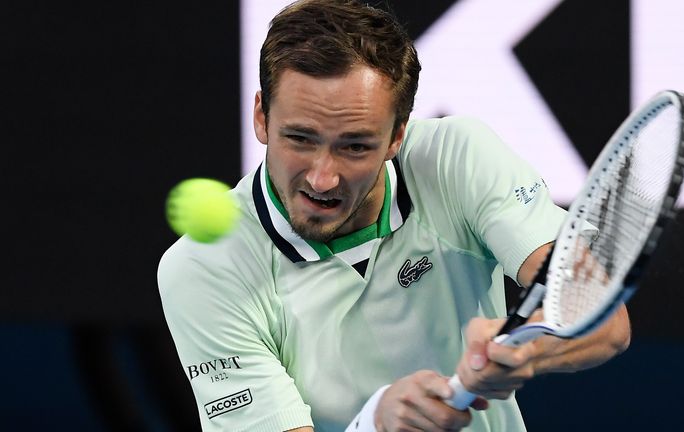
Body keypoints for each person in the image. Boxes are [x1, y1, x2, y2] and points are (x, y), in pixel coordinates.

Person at [157, 0, 631, 431]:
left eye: (355, 146)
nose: (322, 178)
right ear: (261, 117)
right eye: (300, 139)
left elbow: (605, 322)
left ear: (397, 135)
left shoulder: (456, 159)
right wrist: (376, 424)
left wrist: (525, 349)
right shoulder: (204, 268)